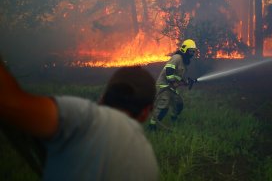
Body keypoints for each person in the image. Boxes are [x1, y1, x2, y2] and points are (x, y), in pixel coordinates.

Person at [0, 59, 159, 181]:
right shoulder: (149, 163)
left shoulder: (85, 118)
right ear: (146, 112)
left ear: (103, 97)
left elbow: (8, 102)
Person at [149, 39, 197, 131]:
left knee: (179, 104)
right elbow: (169, 71)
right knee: (163, 107)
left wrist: (185, 81)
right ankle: (152, 126)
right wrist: (173, 83)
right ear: (184, 49)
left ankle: (174, 119)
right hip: (164, 86)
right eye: (190, 51)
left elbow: (178, 76)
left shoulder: (184, 61)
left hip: (171, 88)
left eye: (193, 51)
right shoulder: (177, 58)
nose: (192, 53)